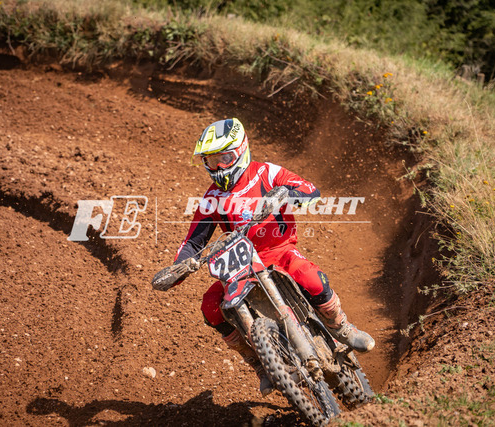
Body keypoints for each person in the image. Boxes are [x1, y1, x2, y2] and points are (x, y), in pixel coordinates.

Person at [154, 118, 374, 396]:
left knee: (311, 278)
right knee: (210, 306)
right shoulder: (212, 197)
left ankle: (341, 326)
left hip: (279, 250)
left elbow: (310, 190)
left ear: (241, 151)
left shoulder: (266, 173)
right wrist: (178, 268)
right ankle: (260, 363)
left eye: (225, 158)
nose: (219, 167)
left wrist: (285, 194)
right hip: (240, 263)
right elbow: (193, 240)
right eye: (211, 161)